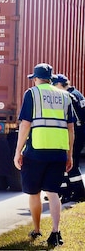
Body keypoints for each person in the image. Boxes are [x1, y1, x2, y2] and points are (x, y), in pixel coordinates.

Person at [14, 63, 74, 247]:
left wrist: (18, 151)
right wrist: (69, 154)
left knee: (34, 192)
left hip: (36, 151)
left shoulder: (32, 94)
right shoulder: (65, 96)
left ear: (36, 78)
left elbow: (25, 125)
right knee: (53, 193)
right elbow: (71, 129)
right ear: (51, 78)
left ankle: (37, 229)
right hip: (58, 152)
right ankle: (56, 232)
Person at [52, 74, 85, 203]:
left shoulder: (68, 96)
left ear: (60, 85)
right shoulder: (77, 94)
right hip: (80, 133)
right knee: (69, 163)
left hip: (75, 133)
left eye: (54, 85)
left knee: (70, 164)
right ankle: (66, 191)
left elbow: (74, 120)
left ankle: (78, 192)